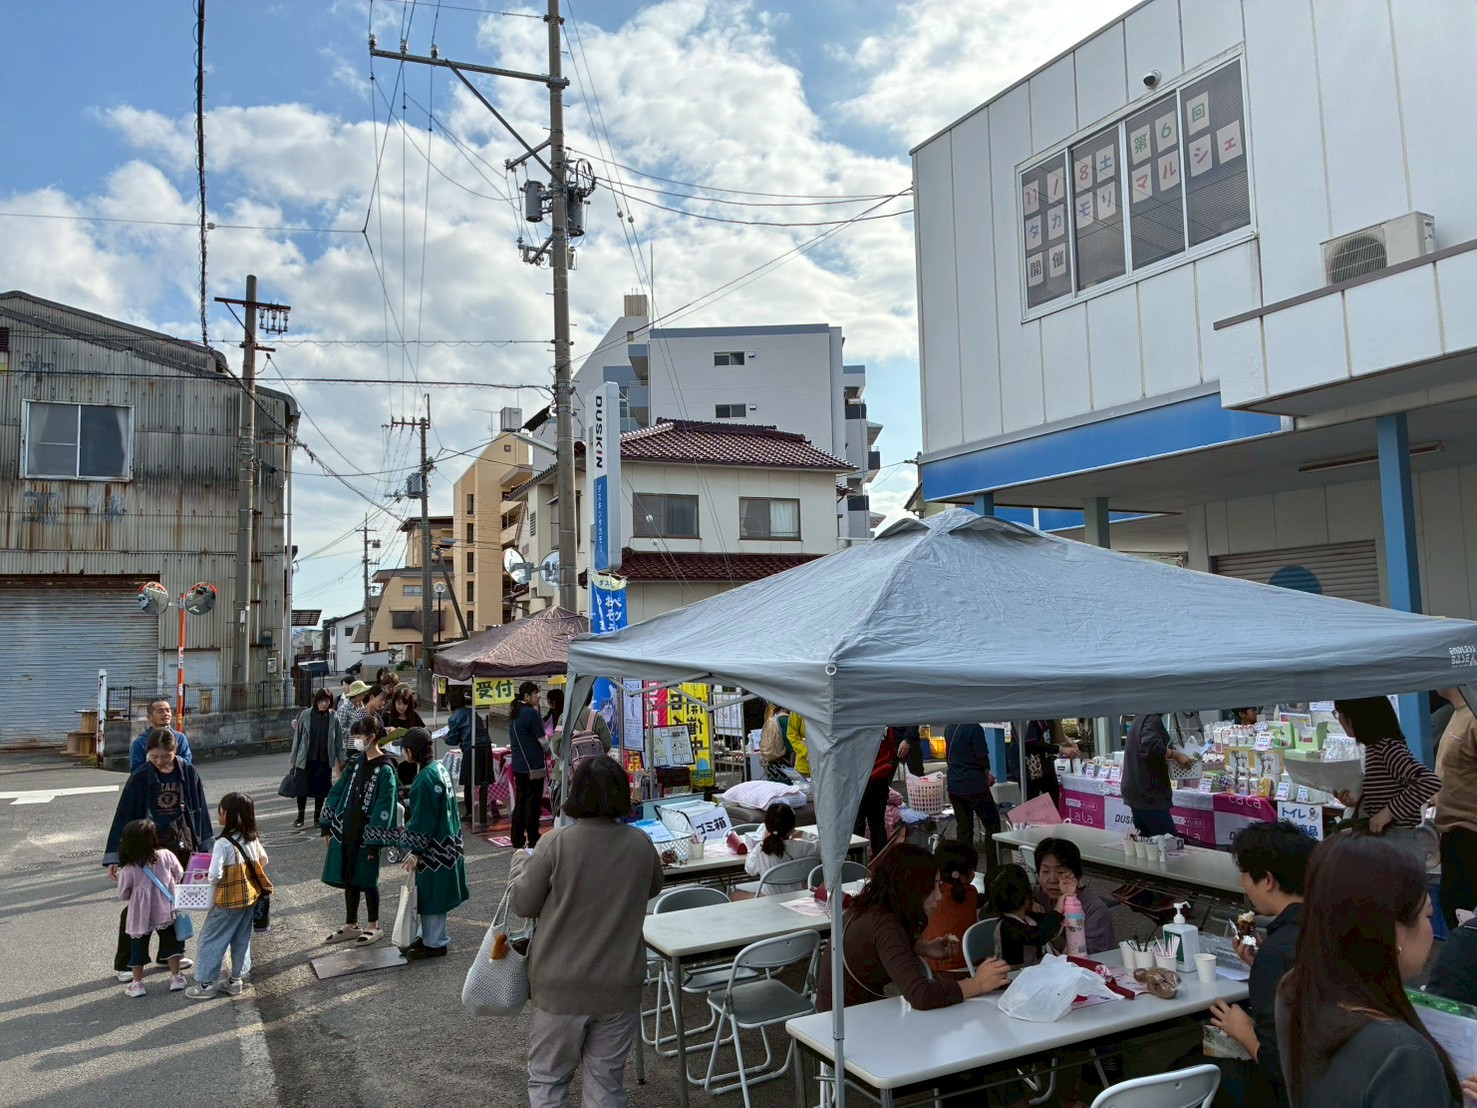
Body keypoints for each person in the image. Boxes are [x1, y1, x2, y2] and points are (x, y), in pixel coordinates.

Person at [510, 755, 664, 1108]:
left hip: (560, 985)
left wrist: (519, 863)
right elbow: (652, 887)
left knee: (549, 1080)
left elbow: (524, 904)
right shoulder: (640, 844)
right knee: (606, 1084)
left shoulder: (555, 843)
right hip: (619, 984)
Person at [1277, 834, 1463, 1106]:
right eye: (1427, 916)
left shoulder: (1293, 989)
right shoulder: (1402, 1053)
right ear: (1393, 932)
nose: (1431, 932)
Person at [818, 843, 1009, 1012]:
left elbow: (879, 946)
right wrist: (976, 984)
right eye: (932, 887)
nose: (939, 896)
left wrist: (923, 947)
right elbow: (921, 995)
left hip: (848, 1010)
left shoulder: (874, 908)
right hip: (845, 1023)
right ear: (911, 888)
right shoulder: (884, 923)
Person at [1204, 820, 1315, 1107]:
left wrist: (1240, 1029)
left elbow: (1279, 1062)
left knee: (1194, 1066)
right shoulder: (1325, 923)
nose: (1242, 883)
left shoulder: (1278, 951)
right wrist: (1261, 966)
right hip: (1341, 1073)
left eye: (1244, 874)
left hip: (1297, 1092)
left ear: (1267, 880)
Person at [104, 728, 210, 981]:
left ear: (175, 751)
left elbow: (200, 809)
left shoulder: (187, 771)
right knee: (136, 907)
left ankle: (169, 954)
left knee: (174, 903)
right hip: (146, 846)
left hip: (180, 844)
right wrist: (115, 856)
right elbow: (124, 816)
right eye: (155, 757)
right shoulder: (141, 775)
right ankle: (125, 962)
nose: (161, 762)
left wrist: (205, 847)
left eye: (166, 756)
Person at [1333, 697, 1441, 866]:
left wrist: (1387, 813)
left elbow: (1429, 781)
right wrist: (1356, 800)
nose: (1339, 719)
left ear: (1358, 716)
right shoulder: (1376, 748)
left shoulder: (1387, 748)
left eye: (1339, 713)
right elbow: (1388, 789)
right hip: (1388, 839)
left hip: (1397, 840)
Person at [320, 715, 399, 945]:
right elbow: (338, 790)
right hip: (347, 829)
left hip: (368, 835)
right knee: (349, 876)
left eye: (359, 736)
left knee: (368, 878)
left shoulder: (385, 769)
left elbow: (386, 804)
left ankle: (374, 924)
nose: (356, 740)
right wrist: (326, 824)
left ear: (372, 737)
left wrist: (376, 839)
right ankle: (351, 923)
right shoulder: (356, 762)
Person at [188, 792, 269, 1000]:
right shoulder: (252, 837)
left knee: (211, 937)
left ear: (227, 815)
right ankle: (235, 981)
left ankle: (206, 985)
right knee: (242, 938)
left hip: (227, 900)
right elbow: (264, 860)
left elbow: (215, 874)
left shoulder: (222, 843)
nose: (219, 814)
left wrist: (210, 884)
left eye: (220, 811)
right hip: (250, 897)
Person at [398, 728, 469, 959]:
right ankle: (428, 936)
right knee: (434, 895)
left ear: (410, 752)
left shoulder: (422, 780)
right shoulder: (439, 769)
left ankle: (435, 942)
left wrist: (414, 851)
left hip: (433, 848)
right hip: (447, 843)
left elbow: (422, 820)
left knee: (431, 895)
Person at [114, 819, 187, 997]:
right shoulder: (166, 855)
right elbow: (179, 874)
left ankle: (137, 984)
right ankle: (176, 977)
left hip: (140, 915)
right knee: (171, 944)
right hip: (165, 909)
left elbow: (123, 894)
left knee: (138, 946)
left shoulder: (128, 869)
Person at [1436, 688, 1477, 928]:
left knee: (1463, 915)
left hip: (1469, 833)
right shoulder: (1458, 713)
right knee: (1455, 910)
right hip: (1454, 834)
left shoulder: (1473, 716)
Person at [1030, 837, 1114, 954]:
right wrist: (1025, 903)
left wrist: (1052, 933)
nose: (1052, 879)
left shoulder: (1094, 910)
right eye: (1045, 871)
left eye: (1060, 872)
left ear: (1076, 875)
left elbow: (1093, 956)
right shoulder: (1036, 896)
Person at [945, 720, 1002, 877]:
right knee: (993, 826)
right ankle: (992, 870)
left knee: (964, 830)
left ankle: (964, 871)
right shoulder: (974, 728)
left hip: (954, 785)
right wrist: (987, 778)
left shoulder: (949, 726)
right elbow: (983, 759)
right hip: (974, 785)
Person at [1123, 712, 1193, 837]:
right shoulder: (1151, 718)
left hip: (1137, 791)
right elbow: (1150, 747)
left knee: (1147, 843)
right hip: (1148, 793)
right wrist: (1175, 755)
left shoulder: (1141, 717)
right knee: (1167, 842)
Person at [289, 688, 346, 829]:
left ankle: (316, 818)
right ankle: (300, 817)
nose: (323, 704)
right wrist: (294, 760)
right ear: (316, 701)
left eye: (326, 701)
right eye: (321, 701)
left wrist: (341, 757)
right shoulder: (306, 715)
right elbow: (298, 738)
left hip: (324, 759)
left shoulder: (333, 716)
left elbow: (339, 739)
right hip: (305, 758)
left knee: (321, 790)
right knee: (301, 789)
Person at [988, 863, 1063, 967]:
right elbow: (1040, 935)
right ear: (1026, 895)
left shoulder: (1027, 917)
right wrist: (1058, 910)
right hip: (1012, 977)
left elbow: (1046, 924)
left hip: (1031, 972)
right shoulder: (1008, 926)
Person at [922, 840, 979, 974]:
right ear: (964, 877)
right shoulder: (972, 893)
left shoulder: (929, 896)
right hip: (971, 964)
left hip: (934, 968)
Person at [742, 802, 819, 891]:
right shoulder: (802, 846)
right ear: (792, 827)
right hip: (795, 898)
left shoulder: (761, 849)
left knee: (734, 895)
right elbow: (822, 846)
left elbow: (749, 870)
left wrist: (763, 842)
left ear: (767, 825)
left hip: (769, 898)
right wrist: (802, 834)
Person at [509, 681, 548, 850]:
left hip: (519, 765)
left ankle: (517, 838)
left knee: (520, 802)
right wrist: (548, 748)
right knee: (533, 803)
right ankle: (533, 836)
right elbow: (543, 741)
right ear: (526, 696)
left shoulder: (514, 713)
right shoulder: (531, 713)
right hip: (533, 765)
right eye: (536, 693)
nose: (539, 695)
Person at [446, 687, 493, 827]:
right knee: (484, 781)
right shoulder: (473, 712)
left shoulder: (453, 717)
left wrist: (444, 737)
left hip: (471, 749)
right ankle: (483, 814)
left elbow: (452, 740)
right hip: (485, 746)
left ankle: (470, 812)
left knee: (468, 781)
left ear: (450, 704)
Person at [1022, 719, 1080, 813]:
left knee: (1054, 797)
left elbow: (1052, 734)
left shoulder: (1050, 717)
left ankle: (1055, 824)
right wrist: (1060, 749)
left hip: (1047, 763)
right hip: (1031, 766)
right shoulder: (1032, 719)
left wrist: (1066, 740)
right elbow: (1033, 743)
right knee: (1032, 803)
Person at [854, 730, 897, 854]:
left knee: (858, 826)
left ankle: (857, 866)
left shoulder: (853, 720)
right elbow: (891, 746)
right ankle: (880, 865)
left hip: (861, 778)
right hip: (879, 778)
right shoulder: (882, 722)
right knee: (877, 825)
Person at [129, 698, 194, 773]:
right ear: (149, 717)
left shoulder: (180, 738)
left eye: (168, 710)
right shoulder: (140, 742)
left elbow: (188, 763)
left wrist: (172, 760)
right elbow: (135, 771)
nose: (166, 714)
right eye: (160, 711)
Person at [758, 703, 792, 781]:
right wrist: (793, 752)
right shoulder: (785, 719)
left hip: (771, 762)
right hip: (784, 762)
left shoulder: (771, 719)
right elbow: (788, 738)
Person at [786, 710, 810, 775]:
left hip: (828, 765)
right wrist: (806, 752)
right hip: (805, 767)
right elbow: (792, 735)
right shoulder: (797, 710)